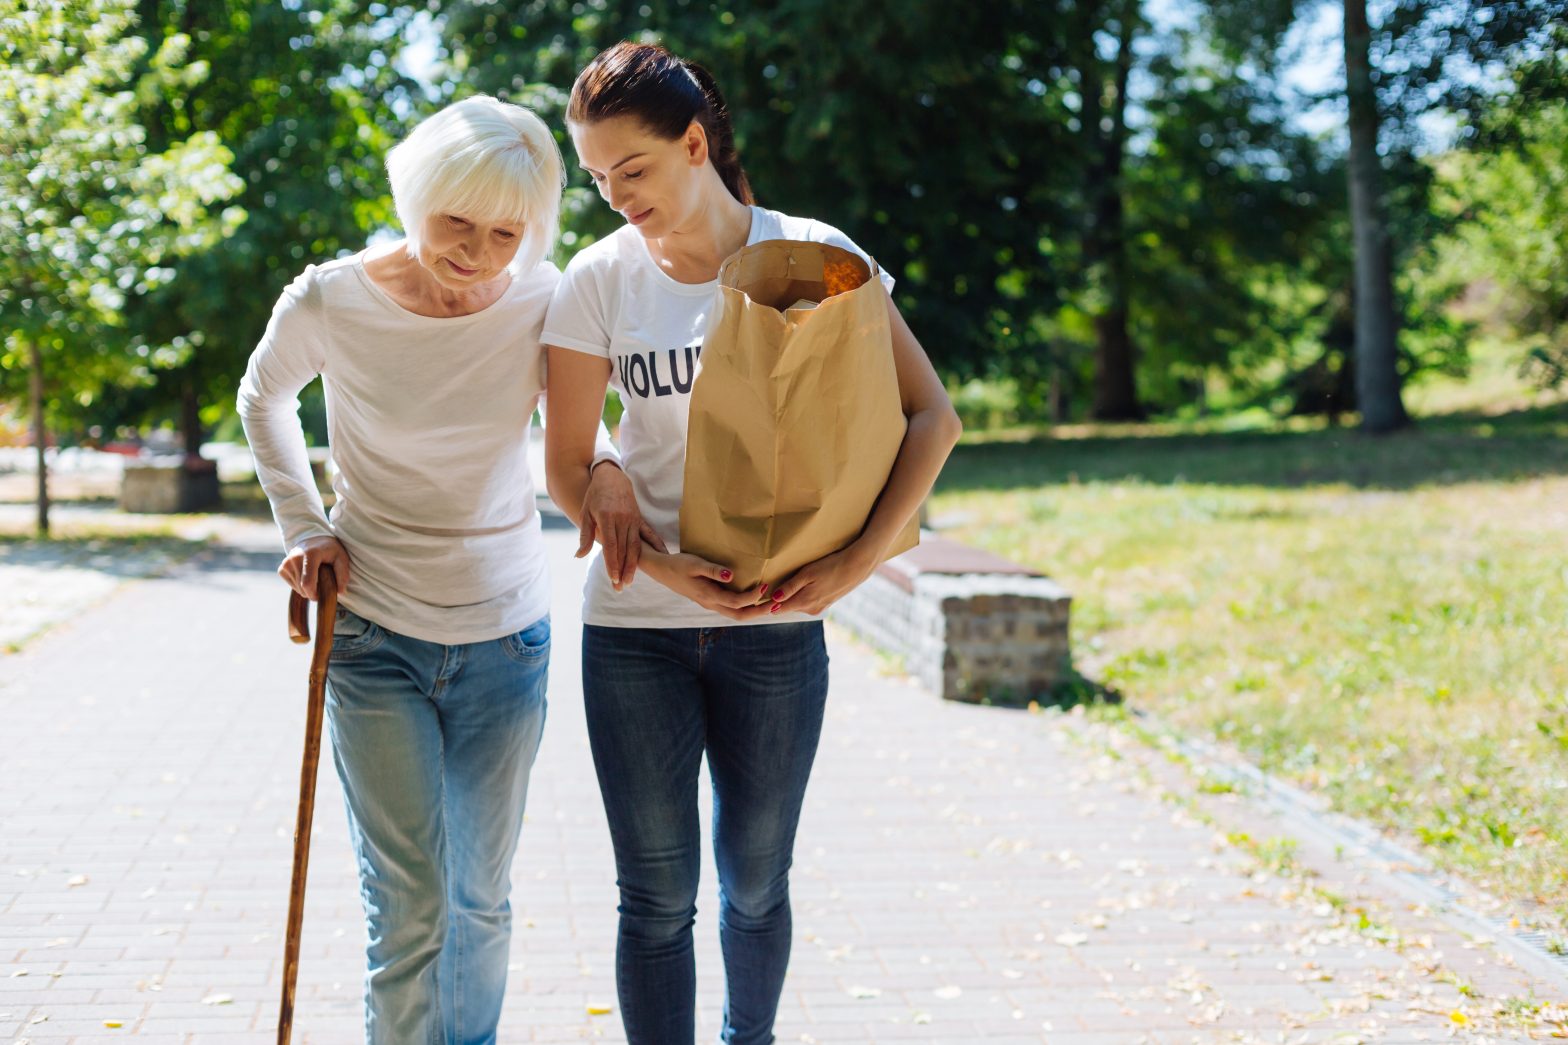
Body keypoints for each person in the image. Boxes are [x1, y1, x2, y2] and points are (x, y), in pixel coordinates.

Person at [542, 42, 964, 1045]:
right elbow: (562, 462)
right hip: (635, 629)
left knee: (755, 883)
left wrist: (845, 573)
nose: (614, 198)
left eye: (631, 171)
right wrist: (661, 559)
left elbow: (929, 418)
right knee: (652, 898)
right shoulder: (596, 282)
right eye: (597, 179)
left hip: (776, 630)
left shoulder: (808, 256)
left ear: (694, 144)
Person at [237, 94, 654, 1044]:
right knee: (412, 903)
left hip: (506, 635)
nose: (476, 252)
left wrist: (609, 473)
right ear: (413, 196)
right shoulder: (332, 299)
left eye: (506, 232)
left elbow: (586, 427)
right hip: (375, 633)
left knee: (480, 899)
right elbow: (264, 397)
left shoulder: (547, 299)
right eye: (455, 222)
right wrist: (303, 524)